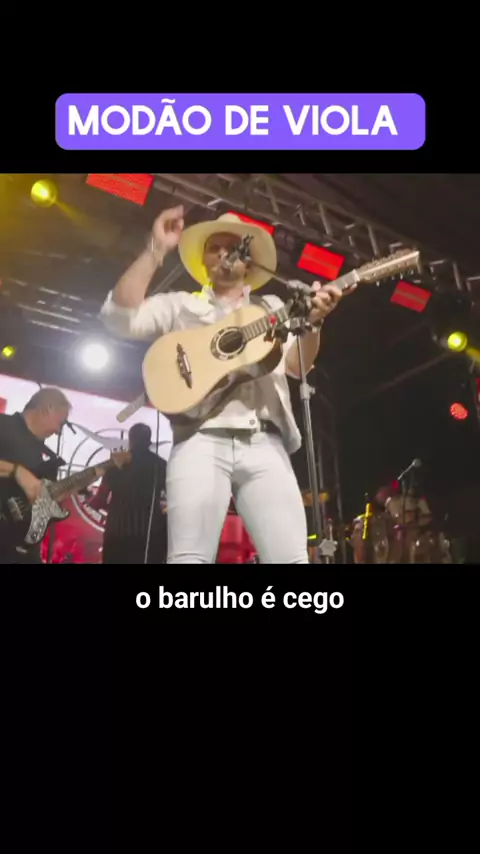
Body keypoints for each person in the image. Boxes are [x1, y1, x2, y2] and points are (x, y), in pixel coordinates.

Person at [100, 206, 354, 564]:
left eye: (232, 247)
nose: (223, 253)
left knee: (292, 559)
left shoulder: (272, 307)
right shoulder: (180, 306)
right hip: (198, 439)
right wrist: (155, 250)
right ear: (203, 261)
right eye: (214, 248)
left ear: (249, 262)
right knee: (188, 559)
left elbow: (298, 367)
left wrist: (314, 323)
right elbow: (117, 319)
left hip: (265, 442)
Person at [0, 387, 71, 564]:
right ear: (47, 408)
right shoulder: (3, 425)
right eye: (60, 422)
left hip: (20, 547)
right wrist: (16, 471)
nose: (58, 431)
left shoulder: (47, 456)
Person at [90, 423, 167, 564]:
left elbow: (99, 500)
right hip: (150, 539)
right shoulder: (161, 466)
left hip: (117, 538)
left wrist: (88, 497)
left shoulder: (116, 463)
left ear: (130, 440)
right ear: (149, 442)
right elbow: (167, 503)